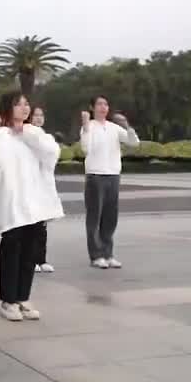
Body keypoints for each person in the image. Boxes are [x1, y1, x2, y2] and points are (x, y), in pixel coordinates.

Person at [0, 91, 63, 321]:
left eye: (26, 104)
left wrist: (27, 134)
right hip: (13, 201)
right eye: (18, 104)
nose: (24, 108)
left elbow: (52, 153)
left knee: (30, 252)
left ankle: (23, 297)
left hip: (35, 201)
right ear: (7, 108)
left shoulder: (35, 132)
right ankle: (8, 301)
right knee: (12, 249)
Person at [80, 95, 140, 269]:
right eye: (99, 104)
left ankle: (108, 253)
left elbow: (134, 143)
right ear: (92, 107)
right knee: (94, 217)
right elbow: (85, 148)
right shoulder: (88, 127)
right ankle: (96, 255)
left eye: (106, 104)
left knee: (110, 217)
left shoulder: (114, 128)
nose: (103, 107)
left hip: (113, 175)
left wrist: (127, 126)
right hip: (95, 176)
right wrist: (85, 126)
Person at [29, 106, 55, 273]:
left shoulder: (47, 137)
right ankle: (31, 260)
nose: (38, 118)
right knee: (32, 224)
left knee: (42, 224)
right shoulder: (26, 136)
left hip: (44, 184)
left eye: (41, 115)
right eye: (35, 115)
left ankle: (41, 259)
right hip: (30, 184)